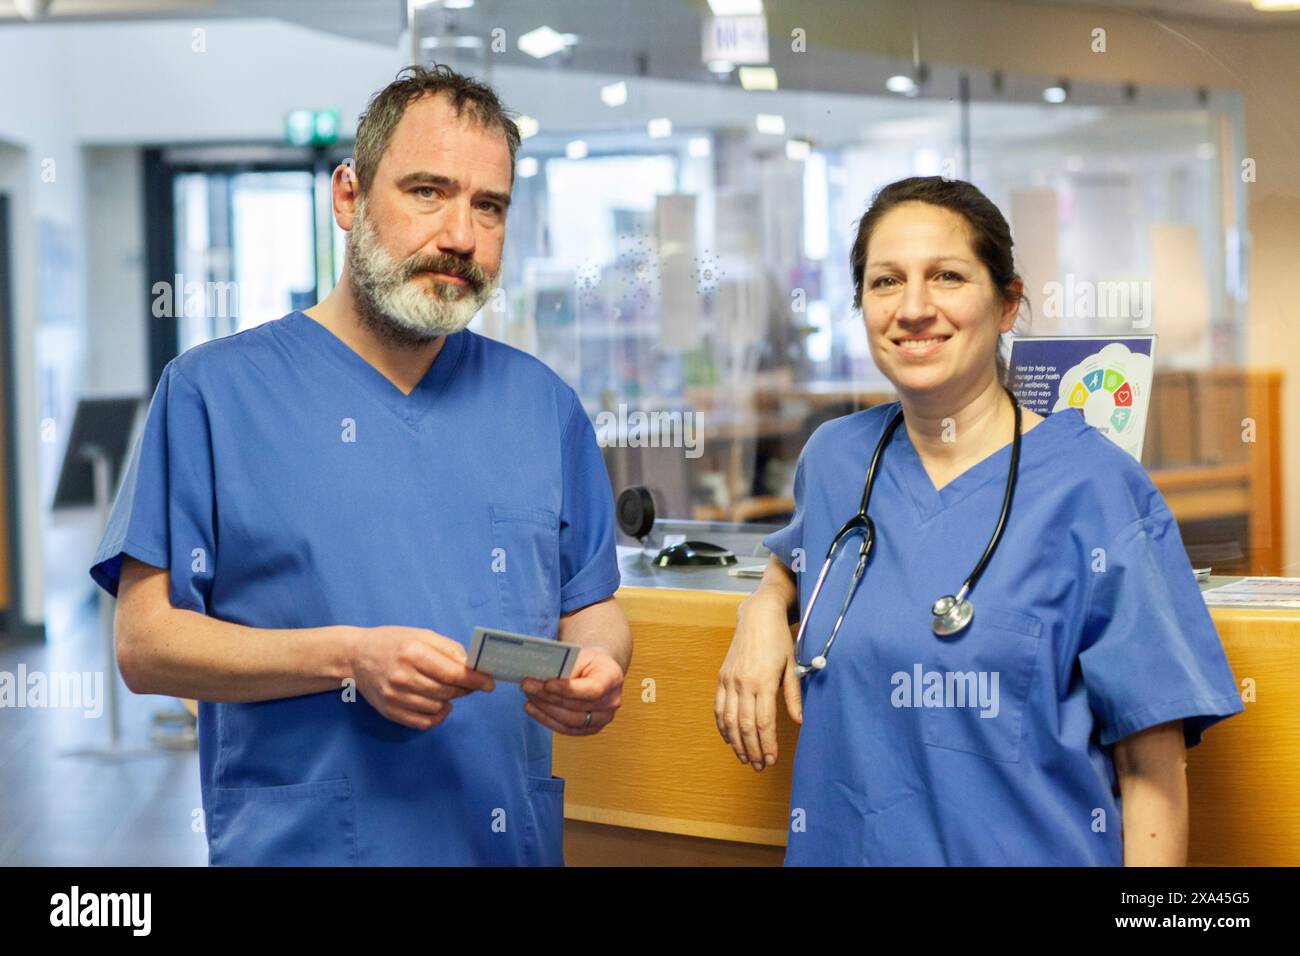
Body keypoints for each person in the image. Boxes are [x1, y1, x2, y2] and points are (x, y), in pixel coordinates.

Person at [90, 64, 631, 866]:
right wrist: (348, 657)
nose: (459, 234)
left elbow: (592, 607)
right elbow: (145, 644)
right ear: (347, 196)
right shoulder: (213, 394)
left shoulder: (543, 408)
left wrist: (601, 669)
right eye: (426, 191)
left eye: (489, 206)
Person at [714, 176, 1243, 866]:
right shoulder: (838, 460)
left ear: (1008, 304)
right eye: (884, 282)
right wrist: (763, 605)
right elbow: (802, 557)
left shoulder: (1097, 489)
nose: (913, 308)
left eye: (948, 276)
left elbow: (1152, 775)